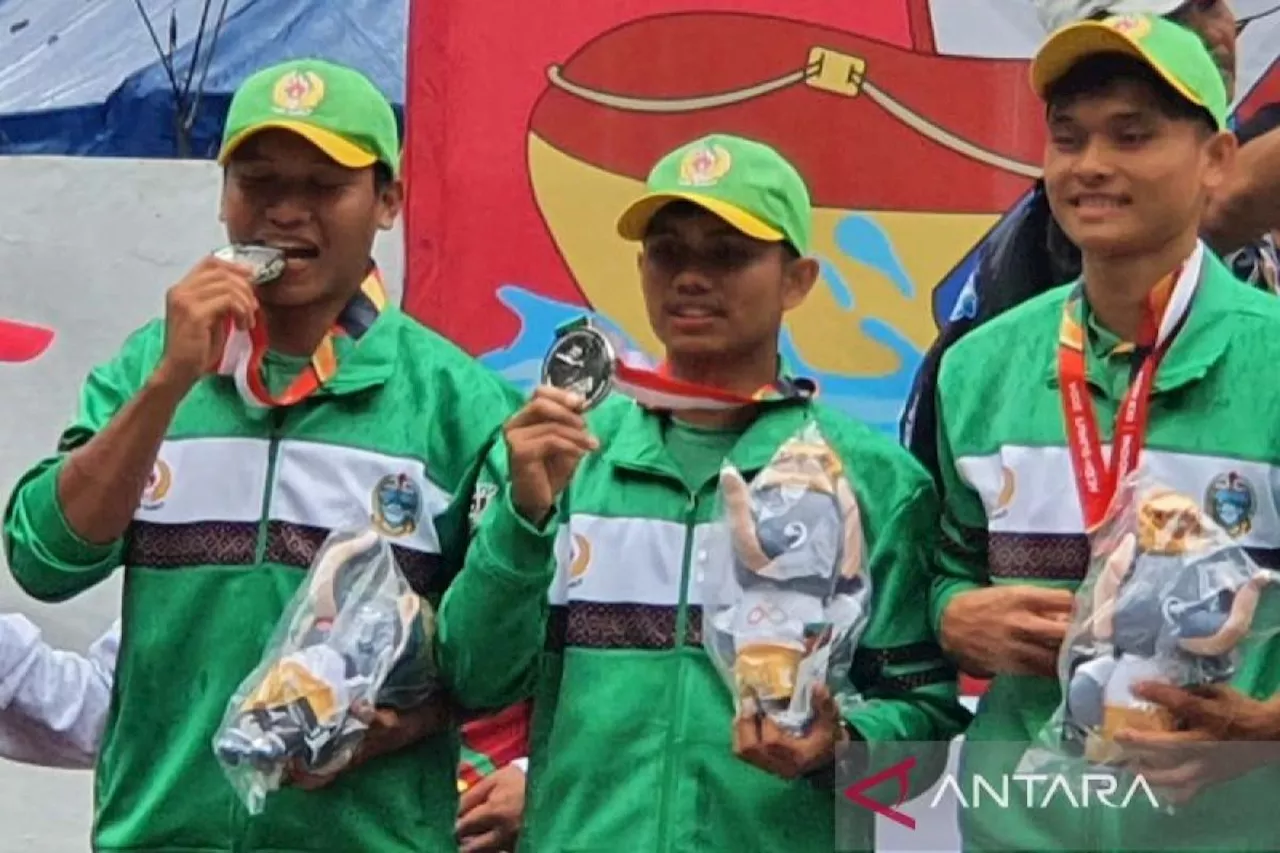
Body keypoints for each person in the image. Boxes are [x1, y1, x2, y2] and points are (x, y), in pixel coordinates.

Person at [2, 58, 550, 853]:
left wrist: (410, 715)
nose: (285, 213)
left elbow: (494, 666)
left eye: (325, 187)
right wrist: (167, 384)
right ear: (223, 194)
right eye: (258, 182)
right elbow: (44, 559)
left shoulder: (456, 402)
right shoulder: (150, 366)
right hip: (159, 836)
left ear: (388, 200)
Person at [470, 133, 969, 852]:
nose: (692, 277)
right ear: (641, 268)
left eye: (729, 253)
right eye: (669, 252)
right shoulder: (567, 458)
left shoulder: (873, 482)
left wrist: (841, 747)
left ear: (798, 279)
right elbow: (478, 679)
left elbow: (926, 736)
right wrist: (522, 522)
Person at [931, 14, 1280, 850]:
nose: (1091, 166)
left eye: (1132, 136)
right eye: (1068, 138)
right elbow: (937, 568)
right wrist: (953, 615)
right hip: (1019, 828)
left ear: (1215, 160)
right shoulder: (976, 368)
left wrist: (1265, 726)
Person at [901, 0, 1280, 485]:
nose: (1212, 32)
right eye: (1176, 18)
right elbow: (1232, 200)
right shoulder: (1041, 267)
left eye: (1210, 3)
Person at [0, 616, 528, 852]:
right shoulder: (210, 479)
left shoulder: (462, 419)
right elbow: (111, 710)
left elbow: (596, 665)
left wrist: (536, 782)